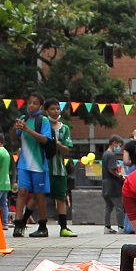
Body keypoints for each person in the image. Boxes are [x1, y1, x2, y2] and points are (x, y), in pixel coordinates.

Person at [12, 91, 53, 238]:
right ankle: (18, 224)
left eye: (35, 103)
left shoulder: (43, 121)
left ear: (41, 106)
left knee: (39, 195)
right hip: (23, 163)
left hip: (38, 164)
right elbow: (14, 137)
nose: (31, 105)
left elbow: (45, 139)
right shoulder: (23, 119)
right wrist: (16, 128)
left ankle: (43, 225)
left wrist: (27, 129)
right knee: (22, 192)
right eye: (29, 102)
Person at [43, 99, 77, 237]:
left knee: (61, 198)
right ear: (46, 111)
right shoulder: (42, 126)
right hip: (43, 168)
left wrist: (54, 143)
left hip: (59, 169)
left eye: (58, 108)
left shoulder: (64, 129)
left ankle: (63, 227)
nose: (56, 111)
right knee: (37, 197)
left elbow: (66, 149)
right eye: (52, 109)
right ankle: (25, 223)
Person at [101, 134, 126, 233]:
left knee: (108, 207)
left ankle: (107, 227)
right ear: (114, 143)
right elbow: (111, 169)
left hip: (105, 184)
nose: (119, 148)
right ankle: (121, 227)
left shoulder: (104, 154)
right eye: (119, 145)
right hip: (113, 185)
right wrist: (120, 176)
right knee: (119, 206)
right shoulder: (111, 155)